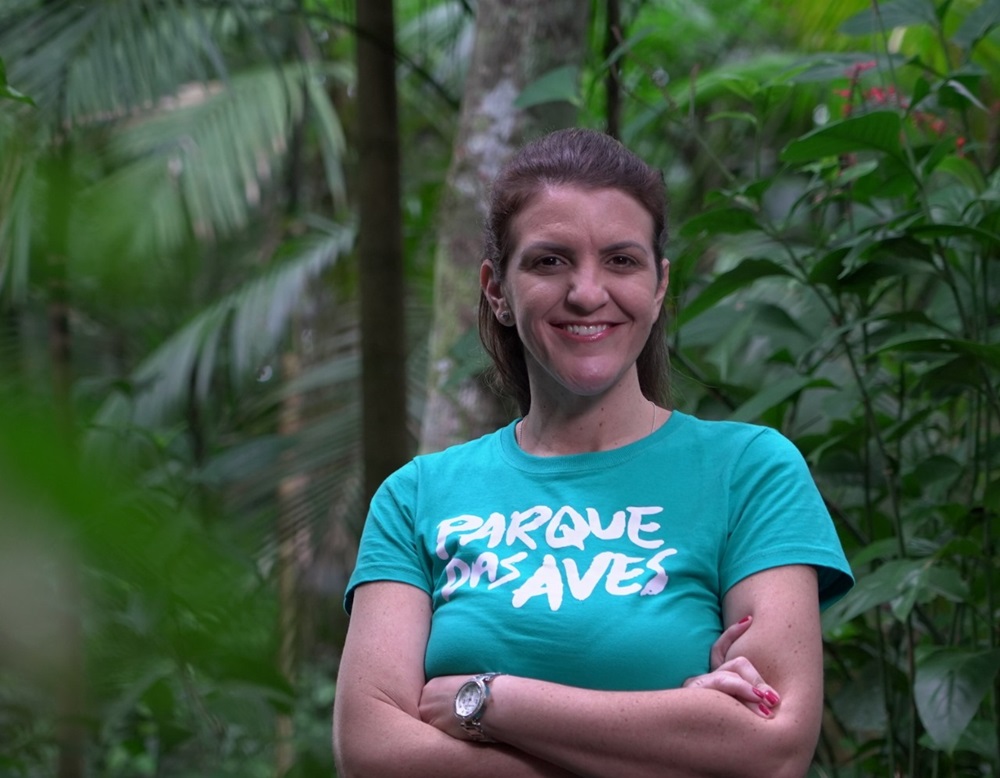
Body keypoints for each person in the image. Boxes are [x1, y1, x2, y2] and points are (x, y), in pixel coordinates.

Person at [332, 128, 853, 778]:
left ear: (659, 285)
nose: (586, 292)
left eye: (621, 261)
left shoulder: (749, 471)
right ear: (497, 288)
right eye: (549, 261)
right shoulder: (416, 495)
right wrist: (673, 742)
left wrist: (488, 700)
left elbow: (772, 749)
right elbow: (370, 750)